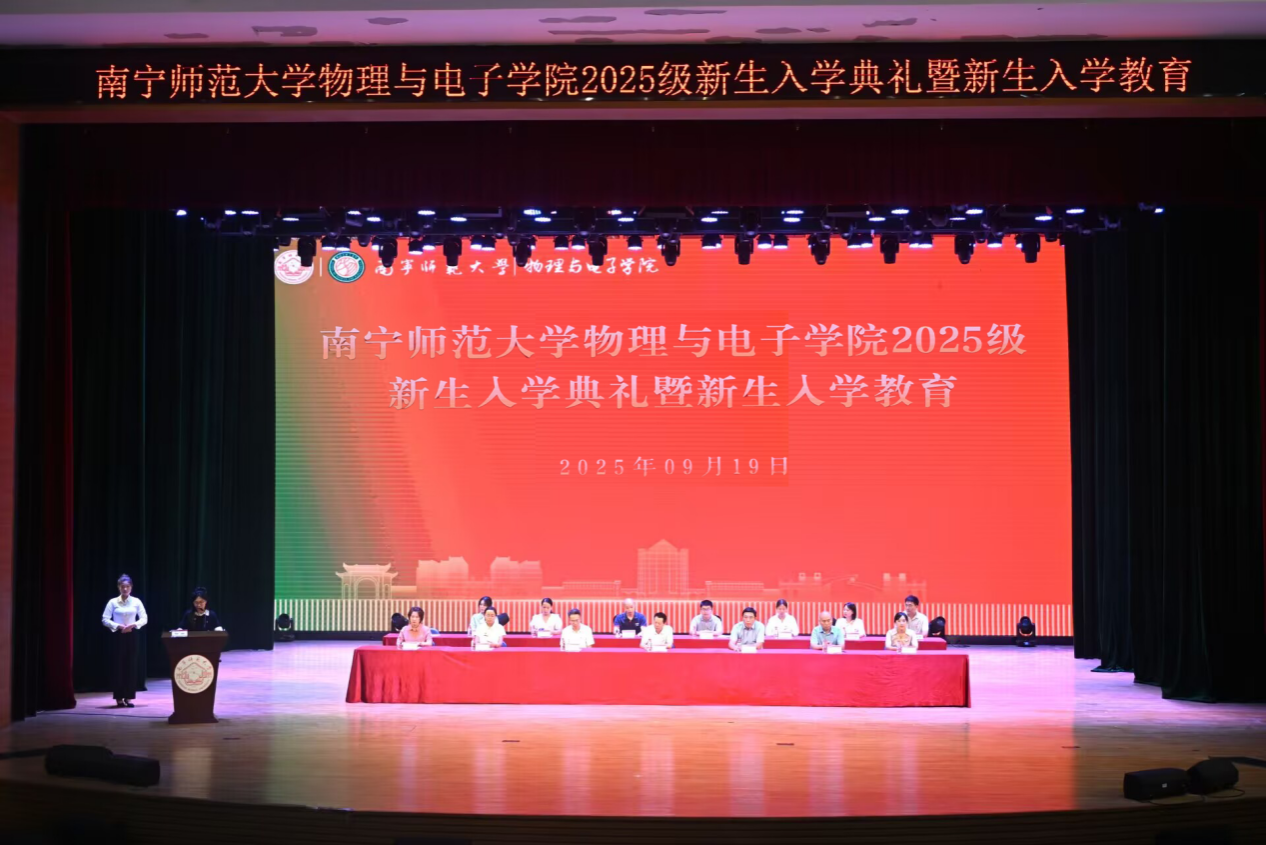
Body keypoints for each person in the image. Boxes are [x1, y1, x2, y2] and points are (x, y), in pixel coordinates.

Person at [102, 574, 148, 708]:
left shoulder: (136, 601)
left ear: (131, 587)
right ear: (119, 587)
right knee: (118, 665)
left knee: (131, 665)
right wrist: (118, 626)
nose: (125, 589)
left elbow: (144, 618)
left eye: (127, 586)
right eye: (123, 586)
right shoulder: (113, 602)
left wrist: (134, 624)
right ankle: (118, 697)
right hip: (118, 636)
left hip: (132, 635)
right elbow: (105, 619)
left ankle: (129, 697)